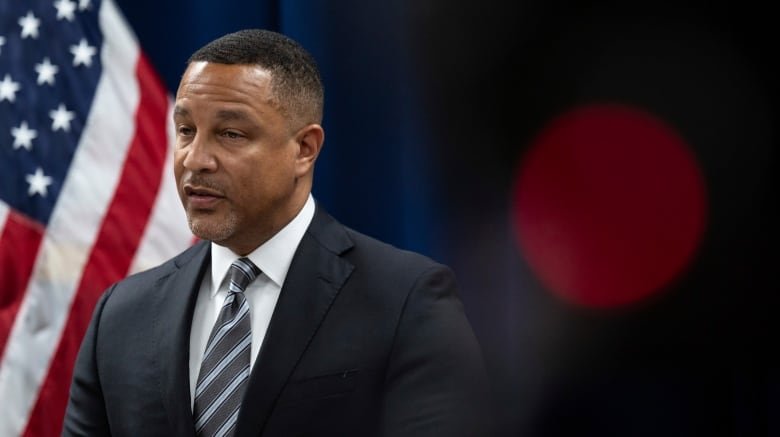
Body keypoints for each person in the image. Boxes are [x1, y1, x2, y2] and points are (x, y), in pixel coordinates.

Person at [63, 29, 490, 436]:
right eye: (186, 130)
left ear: (305, 149)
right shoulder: (121, 315)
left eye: (230, 134)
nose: (195, 160)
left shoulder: (408, 302)